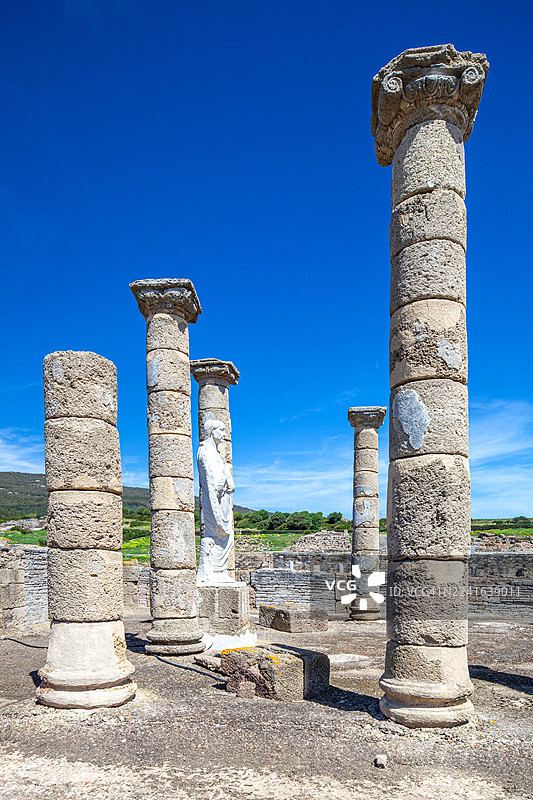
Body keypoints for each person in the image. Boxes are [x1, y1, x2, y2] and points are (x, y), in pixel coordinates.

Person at [196, 418, 235, 585]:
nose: (225, 435)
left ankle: (220, 570)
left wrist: (228, 479)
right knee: (216, 533)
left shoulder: (217, 453)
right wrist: (225, 481)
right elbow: (215, 480)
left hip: (223, 499)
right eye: (222, 430)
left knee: (228, 537)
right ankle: (212, 571)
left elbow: (226, 476)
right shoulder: (205, 451)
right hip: (214, 499)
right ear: (212, 431)